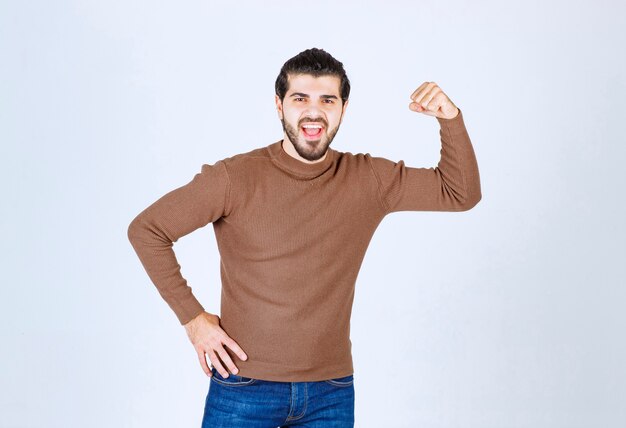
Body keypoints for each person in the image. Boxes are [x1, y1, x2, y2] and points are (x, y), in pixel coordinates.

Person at [127, 47, 481, 427]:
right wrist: (193, 319)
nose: (314, 112)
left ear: (343, 109)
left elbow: (459, 193)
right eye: (300, 99)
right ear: (279, 106)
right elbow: (148, 230)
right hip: (243, 385)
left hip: (331, 389)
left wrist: (451, 119)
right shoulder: (233, 178)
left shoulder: (368, 179)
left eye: (327, 100)